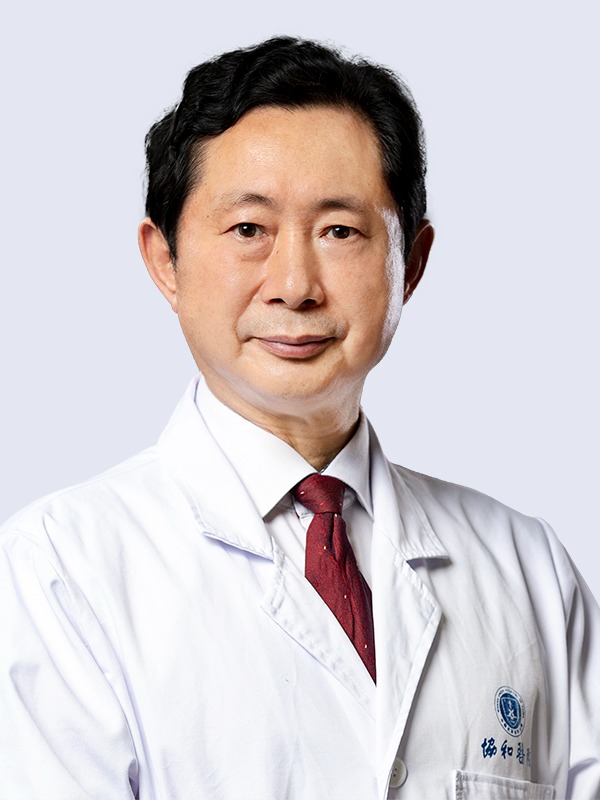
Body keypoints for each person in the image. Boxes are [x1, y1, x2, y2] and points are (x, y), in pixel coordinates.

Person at [0, 35, 598, 800]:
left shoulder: (526, 567)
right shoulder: (57, 572)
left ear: (411, 264)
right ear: (164, 260)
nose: (294, 285)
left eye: (339, 231)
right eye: (249, 230)